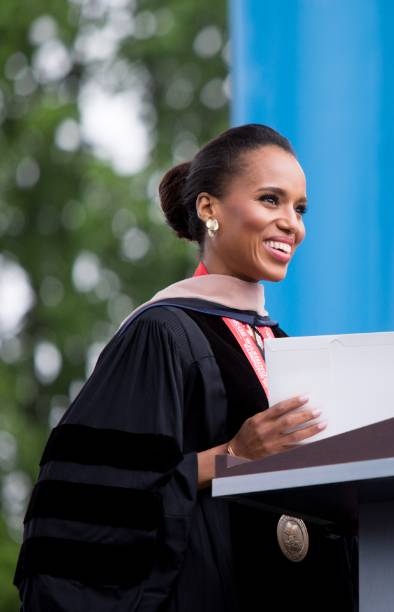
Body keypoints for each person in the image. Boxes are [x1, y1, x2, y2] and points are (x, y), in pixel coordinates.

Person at [14, 124, 357, 611]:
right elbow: (90, 502)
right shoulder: (161, 333)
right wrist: (231, 456)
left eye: (298, 209)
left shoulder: (279, 345)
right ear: (208, 208)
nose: (291, 223)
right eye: (270, 200)